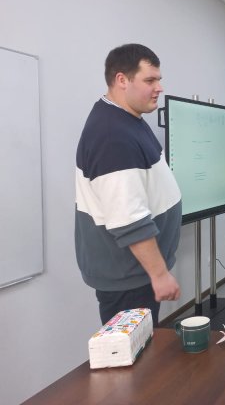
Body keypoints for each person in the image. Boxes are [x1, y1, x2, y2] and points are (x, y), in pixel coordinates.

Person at [75, 44, 182, 327]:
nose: (159, 88)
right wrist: (159, 274)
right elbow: (128, 218)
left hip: (136, 272)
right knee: (134, 351)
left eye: (159, 79)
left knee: (146, 347)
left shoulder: (128, 118)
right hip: (129, 277)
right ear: (122, 80)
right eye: (150, 80)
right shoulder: (112, 135)